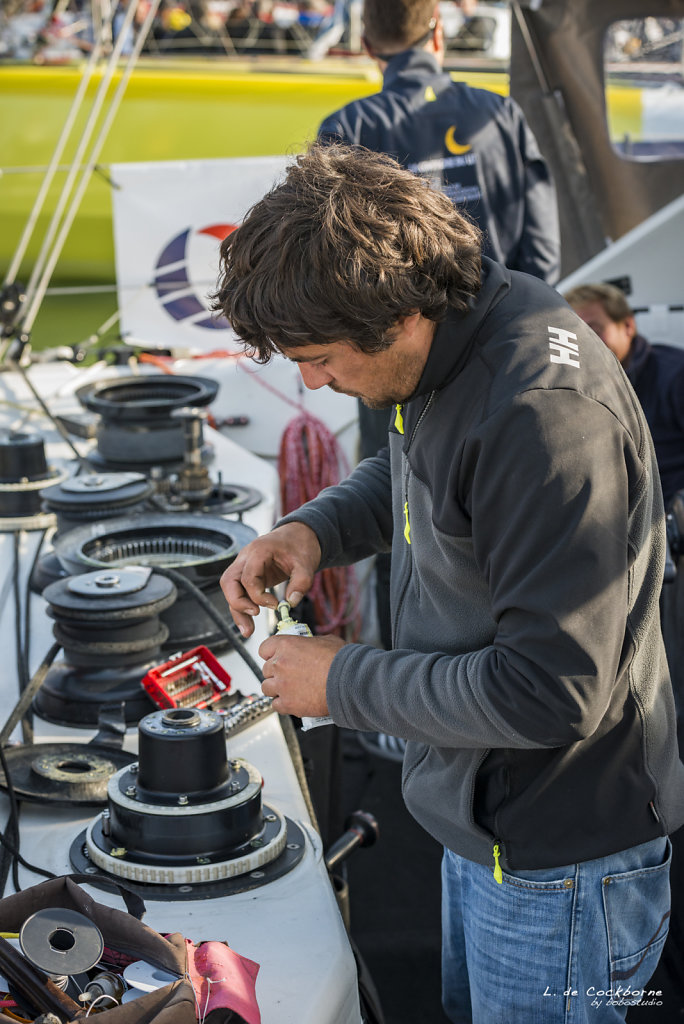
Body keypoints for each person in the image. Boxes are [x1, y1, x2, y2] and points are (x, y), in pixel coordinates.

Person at [212, 142, 684, 1023]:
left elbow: (552, 693)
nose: (313, 381)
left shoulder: (541, 418)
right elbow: (416, 468)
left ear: (394, 315)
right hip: (489, 826)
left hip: (557, 863)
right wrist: (312, 530)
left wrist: (339, 680)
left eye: (317, 356)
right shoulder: (454, 332)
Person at [317, 0, 560, 717]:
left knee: (405, 514)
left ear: (366, 42)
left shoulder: (350, 128)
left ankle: (403, 703)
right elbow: (542, 256)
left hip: (396, 372)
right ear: (440, 32)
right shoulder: (500, 113)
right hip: (503, 361)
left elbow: (329, 275)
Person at [563, 282, 684, 509]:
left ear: (628, 325)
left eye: (595, 330)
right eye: (576, 334)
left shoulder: (676, 375)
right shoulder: (575, 390)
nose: (585, 342)